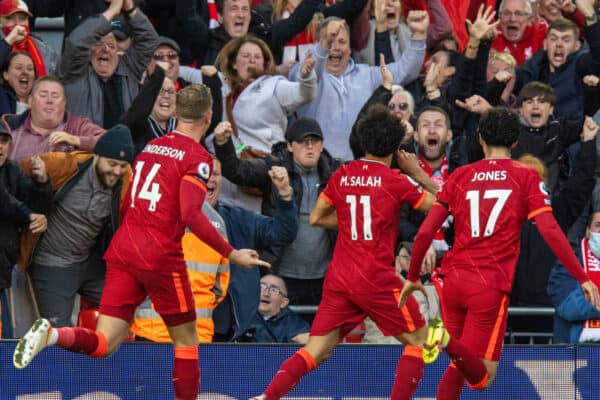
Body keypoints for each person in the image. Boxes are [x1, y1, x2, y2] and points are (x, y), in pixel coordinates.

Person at [12, 84, 270, 400]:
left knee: (105, 343)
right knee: (187, 343)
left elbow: (126, 200)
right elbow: (191, 212)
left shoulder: (151, 148)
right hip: (160, 256)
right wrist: (232, 253)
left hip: (125, 249)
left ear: (175, 112)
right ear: (209, 115)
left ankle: (53, 335)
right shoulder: (198, 157)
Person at [399, 106, 600, 399]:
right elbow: (551, 230)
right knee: (482, 379)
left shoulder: (460, 176)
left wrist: (413, 276)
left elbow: (426, 231)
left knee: (457, 367)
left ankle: (445, 341)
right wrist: (581, 276)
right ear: (516, 141)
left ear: (481, 139)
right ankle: (441, 338)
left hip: (453, 281)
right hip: (488, 286)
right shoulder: (526, 177)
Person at [250, 104, 436, 400]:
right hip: (376, 278)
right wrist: (417, 173)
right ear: (393, 147)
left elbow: (316, 217)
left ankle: (266, 397)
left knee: (316, 350)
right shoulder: (396, 180)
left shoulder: (343, 174)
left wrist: (350, 221)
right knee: (421, 341)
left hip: (340, 277)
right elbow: (443, 206)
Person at [132, 159, 299, 343]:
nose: (210, 179)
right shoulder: (163, 218)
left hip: (225, 331)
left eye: (216, 174)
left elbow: (283, 233)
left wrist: (284, 195)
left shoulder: (239, 219)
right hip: (164, 331)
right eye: (203, 174)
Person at [214, 117, 341, 305]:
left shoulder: (337, 173)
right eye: (302, 141)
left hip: (324, 276)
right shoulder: (274, 167)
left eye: (314, 141)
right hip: (280, 275)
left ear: (322, 145)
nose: (309, 147)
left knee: (315, 333)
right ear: (289, 146)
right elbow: (237, 171)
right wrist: (223, 144)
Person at [19, 125, 134, 328]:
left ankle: (110, 357)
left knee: (128, 301)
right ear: (97, 156)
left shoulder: (124, 178)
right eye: (112, 164)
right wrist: (28, 214)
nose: (117, 171)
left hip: (89, 261)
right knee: (58, 333)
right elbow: (13, 175)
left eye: (123, 165)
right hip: (53, 261)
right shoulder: (64, 165)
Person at [57, 0, 159, 128]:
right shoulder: (74, 73)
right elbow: (76, 42)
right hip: (83, 146)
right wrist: (112, 11)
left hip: (126, 146)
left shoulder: (129, 70)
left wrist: (130, 9)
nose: (105, 49)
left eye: (111, 45)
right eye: (98, 44)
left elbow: (150, 41)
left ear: (118, 51)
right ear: (89, 51)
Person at [0, 120, 51, 338]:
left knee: (4, 338)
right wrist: (29, 215)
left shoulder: (13, 170)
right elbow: (4, 201)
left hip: (2, 268)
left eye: (4, 141)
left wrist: (41, 182)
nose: (0, 147)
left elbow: (35, 204)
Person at [4, 76, 105, 161]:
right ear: (30, 101)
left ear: (64, 103)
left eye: (55, 96)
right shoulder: (9, 126)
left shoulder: (77, 126)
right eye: (43, 95)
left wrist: (76, 140)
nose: (49, 101)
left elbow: (110, 141)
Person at [549, 210, 600, 344]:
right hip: (577, 353)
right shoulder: (570, 261)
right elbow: (569, 307)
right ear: (588, 231)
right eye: (598, 225)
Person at [245, 274, 310, 344]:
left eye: (274, 290)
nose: (266, 293)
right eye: (261, 286)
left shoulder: (297, 326)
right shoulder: (240, 317)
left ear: (284, 302)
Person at [0, 0, 59, 76]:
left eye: (23, 18)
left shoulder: (43, 49)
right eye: (10, 18)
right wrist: (8, 41)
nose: (17, 24)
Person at [491, 0, 547, 66]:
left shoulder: (543, 36)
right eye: (507, 13)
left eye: (518, 14)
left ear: (529, 19)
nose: (512, 19)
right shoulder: (490, 38)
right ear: (499, 17)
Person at [0, 51, 35, 115]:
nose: (25, 72)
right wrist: (8, 42)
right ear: (6, 75)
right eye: (19, 68)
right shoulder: (2, 97)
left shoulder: (41, 101)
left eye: (29, 69)